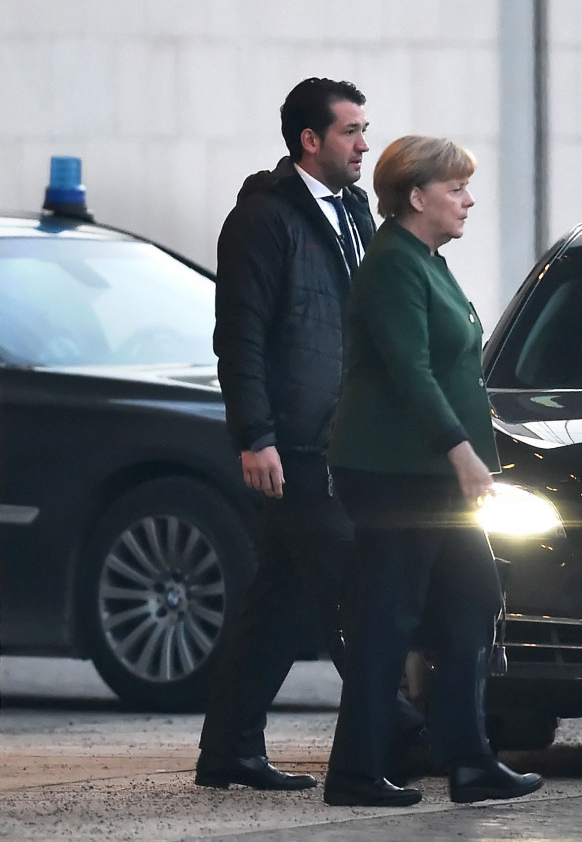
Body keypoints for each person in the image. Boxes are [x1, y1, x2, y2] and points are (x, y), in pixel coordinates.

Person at [321, 135, 543, 807]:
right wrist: (461, 449)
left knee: (475, 599)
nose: (468, 199)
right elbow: (408, 370)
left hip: (433, 475)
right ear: (416, 196)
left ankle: (467, 757)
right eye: (455, 188)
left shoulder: (428, 260)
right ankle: (357, 769)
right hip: (396, 470)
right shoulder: (393, 264)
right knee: (389, 617)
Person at [195, 77, 390, 793]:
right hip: (295, 442)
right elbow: (239, 336)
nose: (365, 143)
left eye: (365, 129)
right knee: (354, 581)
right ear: (310, 140)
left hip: (345, 438)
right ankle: (398, 729)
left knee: (282, 598)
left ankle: (229, 750)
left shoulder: (356, 210)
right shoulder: (262, 220)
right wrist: (256, 434)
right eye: (351, 131)